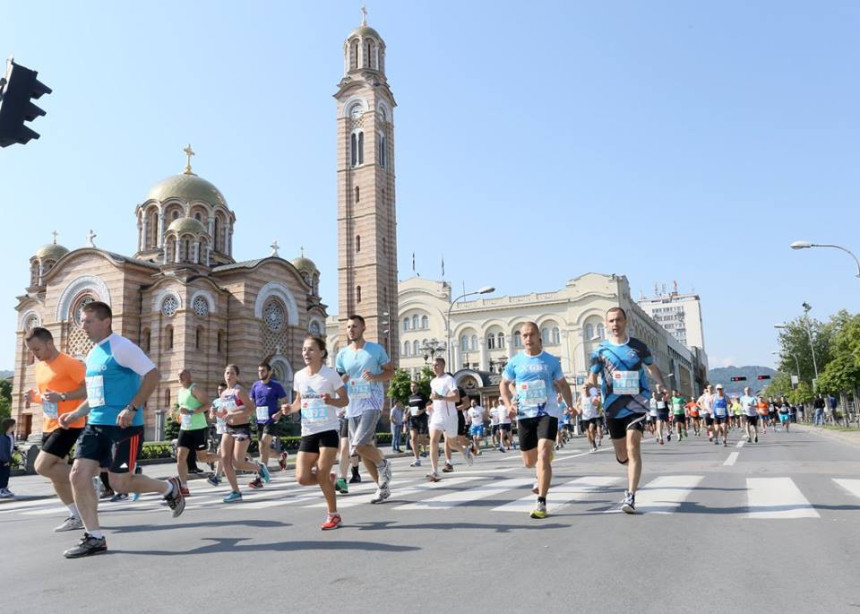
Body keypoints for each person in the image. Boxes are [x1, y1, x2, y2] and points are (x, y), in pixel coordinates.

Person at [57, 301, 184, 558]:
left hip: (124, 428)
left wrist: (132, 407)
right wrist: (75, 413)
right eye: (82, 321)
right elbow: (96, 394)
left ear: (106, 321)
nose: (83, 326)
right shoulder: (93, 353)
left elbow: (153, 375)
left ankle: (169, 489)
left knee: (120, 483)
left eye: (88, 321)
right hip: (95, 425)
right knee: (77, 475)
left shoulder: (122, 347)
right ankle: (94, 537)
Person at [587, 307, 669, 515]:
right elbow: (592, 377)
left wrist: (661, 384)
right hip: (612, 408)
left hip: (637, 404)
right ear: (607, 324)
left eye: (619, 320)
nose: (615, 324)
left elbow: (652, 368)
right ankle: (626, 461)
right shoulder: (600, 350)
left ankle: (630, 496)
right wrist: (592, 391)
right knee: (622, 453)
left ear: (626, 322)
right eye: (611, 321)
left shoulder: (639, 347)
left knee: (633, 447)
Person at [500, 322, 574, 519]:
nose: (527, 339)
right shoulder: (515, 361)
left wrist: (569, 405)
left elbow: (563, 385)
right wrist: (508, 405)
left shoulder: (550, 361)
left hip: (547, 412)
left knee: (543, 454)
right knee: (529, 461)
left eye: (531, 334)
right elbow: (504, 384)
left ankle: (541, 502)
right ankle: (540, 469)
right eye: (524, 335)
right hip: (525, 414)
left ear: (538, 335)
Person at [23, 327, 88, 531]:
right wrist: (33, 397)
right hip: (48, 424)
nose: (35, 354)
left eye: (37, 349)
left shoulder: (71, 363)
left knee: (41, 466)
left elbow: (90, 389)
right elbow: (47, 397)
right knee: (53, 473)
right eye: (31, 351)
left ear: (50, 343)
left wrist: (63, 397)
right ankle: (76, 516)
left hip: (69, 422)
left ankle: (87, 478)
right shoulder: (40, 367)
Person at [288, 335, 348, 530]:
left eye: (311, 349)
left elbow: (344, 400)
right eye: (304, 349)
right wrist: (290, 409)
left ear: (321, 353)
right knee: (302, 478)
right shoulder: (299, 376)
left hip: (328, 430)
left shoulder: (330, 375)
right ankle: (329, 479)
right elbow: (299, 401)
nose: (306, 352)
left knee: (321, 473)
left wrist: (332, 401)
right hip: (308, 431)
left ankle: (334, 515)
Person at [335, 314, 395, 504]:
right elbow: (339, 378)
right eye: (348, 327)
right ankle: (382, 487)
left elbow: (391, 372)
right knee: (363, 449)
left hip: (372, 402)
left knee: (358, 446)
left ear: (363, 328)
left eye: (354, 326)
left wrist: (376, 377)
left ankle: (384, 463)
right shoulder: (342, 354)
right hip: (353, 405)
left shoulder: (375, 350)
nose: (351, 330)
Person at [215, 364, 271, 503]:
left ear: (237, 376)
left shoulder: (238, 391)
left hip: (242, 428)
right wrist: (215, 413)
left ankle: (259, 468)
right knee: (224, 459)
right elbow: (224, 413)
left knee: (238, 463)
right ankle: (235, 491)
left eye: (232, 373)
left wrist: (233, 414)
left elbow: (251, 408)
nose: (229, 376)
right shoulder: (223, 394)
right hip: (229, 428)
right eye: (227, 373)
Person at [425, 357, 473, 481]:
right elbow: (435, 400)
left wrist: (441, 397)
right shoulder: (433, 382)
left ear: (443, 366)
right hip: (437, 416)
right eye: (433, 365)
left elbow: (456, 398)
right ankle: (434, 471)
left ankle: (464, 451)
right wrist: (431, 406)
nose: (434, 367)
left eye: (437, 365)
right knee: (433, 441)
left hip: (450, 416)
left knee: (452, 444)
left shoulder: (449, 379)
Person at [174, 369, 219, 495]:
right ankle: (184, 487)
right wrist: (178, 415)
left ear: (189, 376)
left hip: (198, 428)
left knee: (202, 457)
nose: (179, 376)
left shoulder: (195, 389)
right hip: (185, 428)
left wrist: (192, 412)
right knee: (180, 457)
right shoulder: (180, 391)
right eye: (179, 375)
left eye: (182, 374)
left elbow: (207, 404)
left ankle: (224, 458)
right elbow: (182, 408)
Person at [249, 362, 288, 488]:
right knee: (262, 448)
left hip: (271, 420)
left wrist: (279, 413)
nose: (260, 373)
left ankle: (260, 477)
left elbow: (285, 403)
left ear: (269, 372)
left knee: (264, 444)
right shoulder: (255, 386)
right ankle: (281, 456)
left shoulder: (276, 386)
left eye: (263, 371)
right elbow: (251, 403)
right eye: (259, 371)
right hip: (259, 421)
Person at [207, 383, 228, 486]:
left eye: (222, 390)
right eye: (219, 390)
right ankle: (254, 464)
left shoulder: (228, 401)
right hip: (219, 429)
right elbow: (211, 416)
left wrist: (216, 413)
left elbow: (225, 415)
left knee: (220, 451)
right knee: (224, 453)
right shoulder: (216, 402)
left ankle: (217, 476)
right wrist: (212, 413)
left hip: (229, 428)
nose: (220, 391)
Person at [406, 381, 429, 467]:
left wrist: (422, 411)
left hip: (422, 418)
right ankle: (417, 459)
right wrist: (406, 414)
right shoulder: (410, 397)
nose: (413, 388)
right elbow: (409, 407)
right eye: (411, 386)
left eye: (414, 386)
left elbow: (429, 405)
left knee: (422, 439)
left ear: (418, 387)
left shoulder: (422, 396)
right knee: (413, 439)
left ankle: (434, 445)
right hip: (413, 419)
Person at [579, 385, 602, 452]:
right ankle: (592, 443)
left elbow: (597, 404)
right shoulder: (581, 397)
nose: (585, 389)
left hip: (592, 417)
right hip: (585, 417)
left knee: (591, 429)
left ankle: (594, 444)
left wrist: (597, 403)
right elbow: (577, 404)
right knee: (588, 433)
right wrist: (578, 408)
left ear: (589, 389)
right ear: (582, 389)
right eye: (584, 388)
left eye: (587, 387)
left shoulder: (592, 397)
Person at [0, 418, 16, 498]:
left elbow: (11, 445)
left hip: (7, 458)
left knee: (6, 475)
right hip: (2, 459)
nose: (15, 427)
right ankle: (1, 490)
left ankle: (5, 489)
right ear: (10, 426)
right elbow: (3, 449)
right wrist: (6, 460)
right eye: (14, 425)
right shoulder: (3, 437)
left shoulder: (11, 435)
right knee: (2, 475)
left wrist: (16, 448)